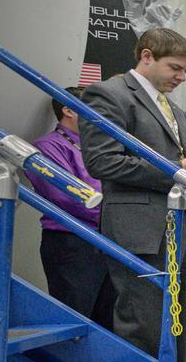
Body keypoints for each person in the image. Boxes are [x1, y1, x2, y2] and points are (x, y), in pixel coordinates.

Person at [81, 28, 186, 362]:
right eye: (175, 67)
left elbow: (179, 166)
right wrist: (178, 168)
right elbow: (103, 162)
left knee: (179, 326)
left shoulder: (174, 109)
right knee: (144, 324)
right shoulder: (108, 95)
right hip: (141, 231)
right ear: (146, 56)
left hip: (184, 227)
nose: (181, 77)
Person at [26, 90, 118, 335]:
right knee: (75, 320)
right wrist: (116, 214)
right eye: (92, 110)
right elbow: (66, 197)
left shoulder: (98, 148)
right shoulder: (47, 147)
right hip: (72, 244)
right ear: (68, 110)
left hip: (107, 240)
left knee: (107, 323)